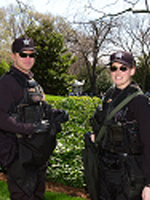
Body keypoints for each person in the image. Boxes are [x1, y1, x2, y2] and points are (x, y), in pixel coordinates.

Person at [0, 36, 68, 200]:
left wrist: (57, 114)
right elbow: (1, 118)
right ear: (13, 56)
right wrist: (31, 128)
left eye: (32, 55)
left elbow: (42, 109)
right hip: (19, 157)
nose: (28, 59)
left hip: (37, 154)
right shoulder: (6, 83)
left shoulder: (33, 83)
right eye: (23, 55)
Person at [87, 51, 150, 200]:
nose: (118, 72)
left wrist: (149, 183)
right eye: (114, 68)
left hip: (128, 174)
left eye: (123, 68)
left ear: (132, 70)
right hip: (104, 170)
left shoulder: (139, 101)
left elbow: (148, 142)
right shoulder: (109, 95)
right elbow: (102, 123)